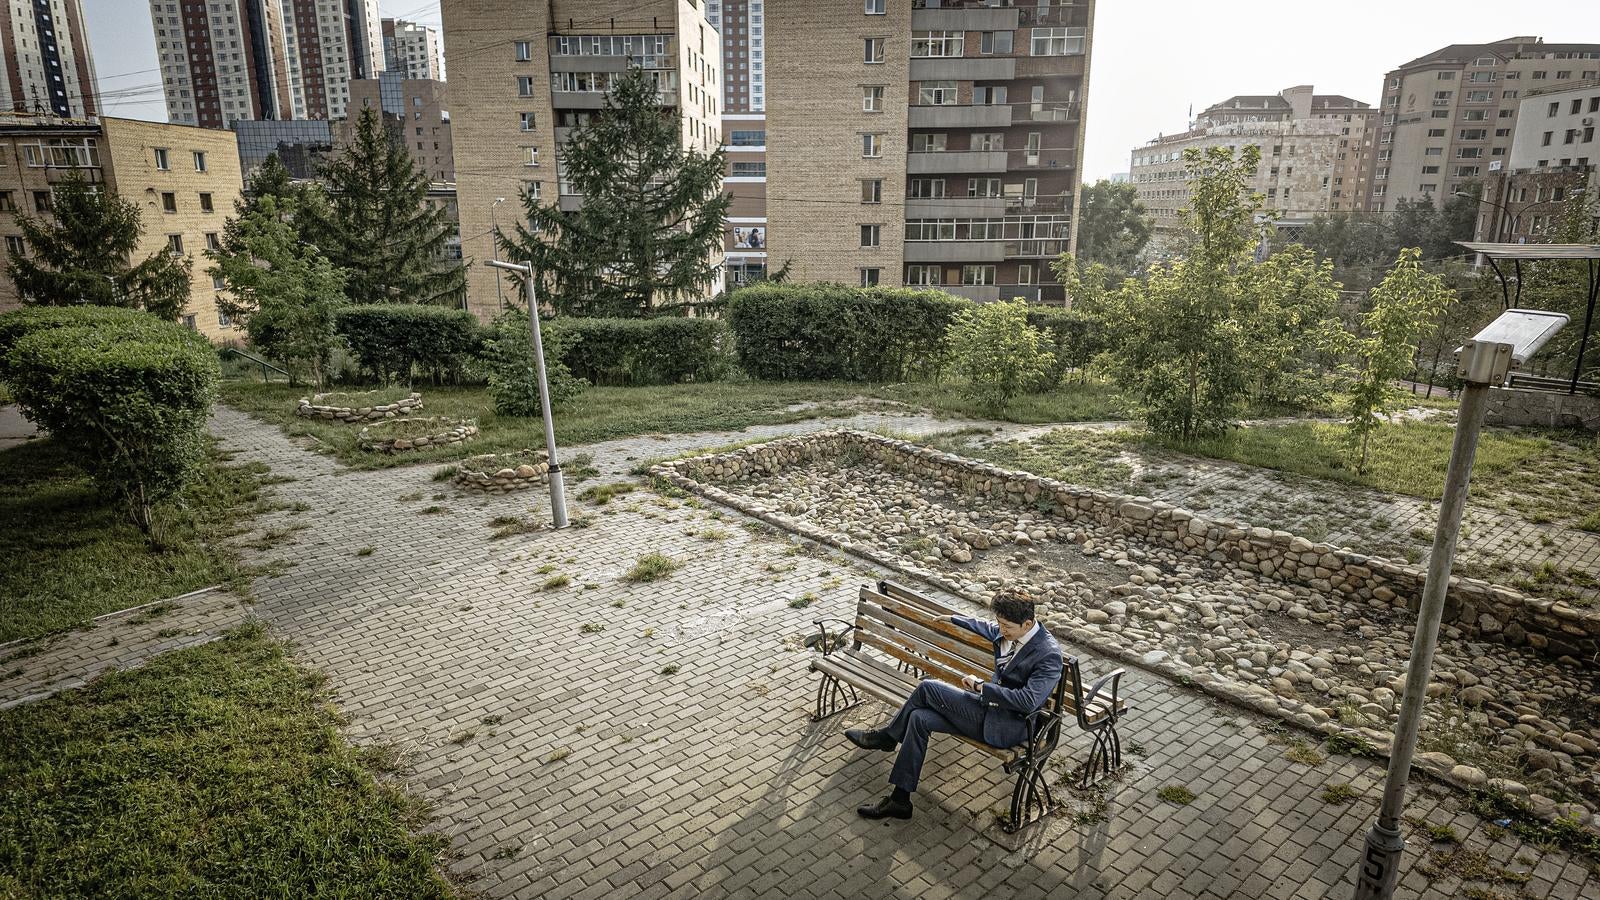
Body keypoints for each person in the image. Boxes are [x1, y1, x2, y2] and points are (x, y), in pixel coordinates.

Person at [845, 591, 1063, 820]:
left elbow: (1028, 701)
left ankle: (887, 738)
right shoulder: (1009, 632)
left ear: (1028, 623)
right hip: (985, 712)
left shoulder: (1048, 654)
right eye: (999, 623)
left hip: (1007, 726)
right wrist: (953, 618)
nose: (1001, 630)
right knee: (919, 718)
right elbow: (984, 626)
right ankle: (900, 801)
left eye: (1006, 626)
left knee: (928, 687)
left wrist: (981, 687)